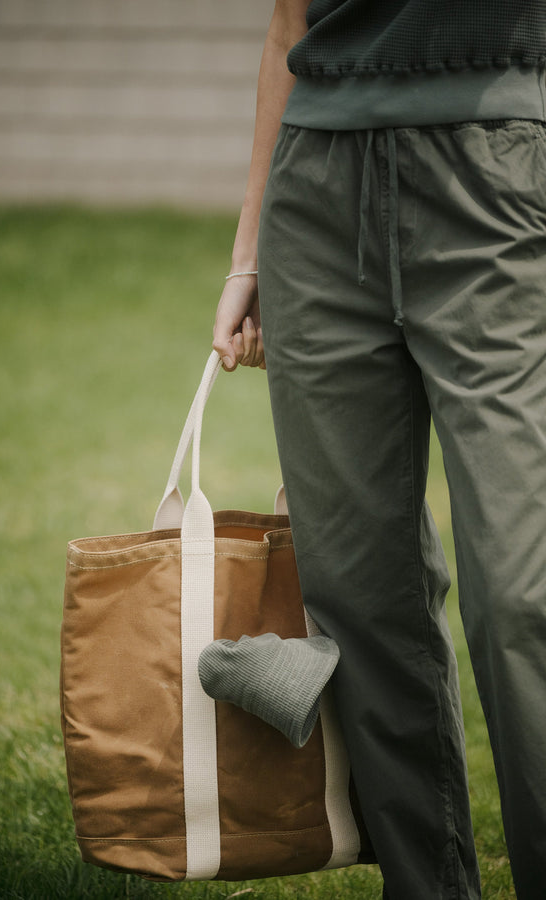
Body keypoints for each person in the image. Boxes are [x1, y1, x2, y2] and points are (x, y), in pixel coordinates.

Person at [213, 1, 546, 898]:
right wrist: (249, 255)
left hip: (498, 176)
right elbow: (290, 24)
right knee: (360, 599)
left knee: (523, 593)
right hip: (317, 197)